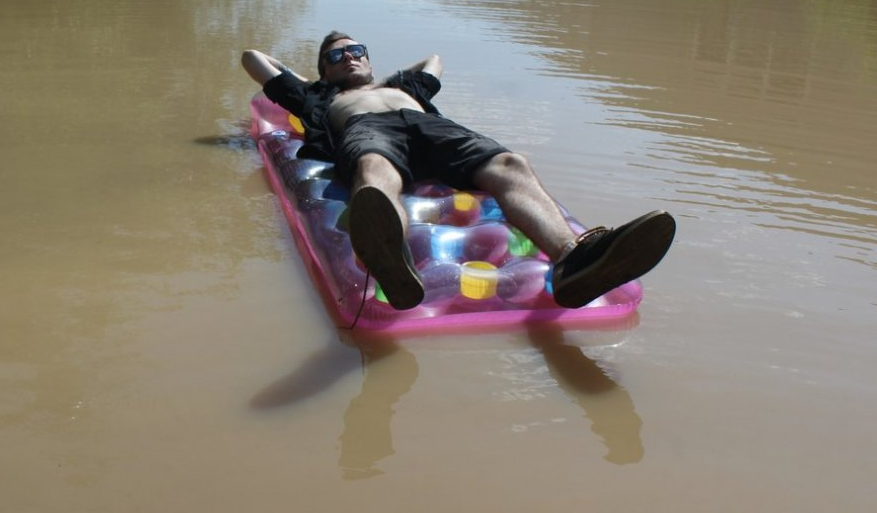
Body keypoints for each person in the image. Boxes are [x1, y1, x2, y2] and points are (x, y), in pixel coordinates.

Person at [241, 31, 675, 311]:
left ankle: (572, 261)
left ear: (369, 59)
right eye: (336, 55)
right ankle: (394, 259)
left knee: (512, 163)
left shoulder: (403, 86)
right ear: (324, 69)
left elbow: (433, 60)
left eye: (356, 51)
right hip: (367, 130)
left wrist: (386, 77)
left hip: (434, 129)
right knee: (374, 166)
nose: (348, 57)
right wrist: (313, 79)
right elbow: (253, 58)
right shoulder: (316, 96)